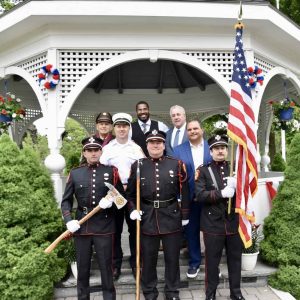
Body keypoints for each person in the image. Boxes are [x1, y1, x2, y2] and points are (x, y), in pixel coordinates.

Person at [127, 130, 190, 300]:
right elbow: (131, 194)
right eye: (152, 142)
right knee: (148, 259)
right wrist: (133, 209)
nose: (155, 145)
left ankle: (172, 292)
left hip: (171, 215)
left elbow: (185, 191)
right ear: (146, 145)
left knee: (172, 258)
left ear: (163, 145)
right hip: (147, 217)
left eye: (159, 142)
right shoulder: (138, 165)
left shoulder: (176, 164)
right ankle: (149, 291)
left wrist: (184, 215)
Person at [61, 136, 124, 300]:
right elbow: (66, 201)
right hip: (81, 226)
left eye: (96, 150)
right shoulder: (75, 173)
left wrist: (111, 201)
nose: (93, 153)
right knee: (82, 269)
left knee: (106, 267)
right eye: (89, 150)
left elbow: (121, 200)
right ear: (84, 152)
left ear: (100, 151)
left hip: (104, 225)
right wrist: (69, 221)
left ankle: (109, 297)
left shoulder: (111, 171)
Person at [194, 135, 244, 300]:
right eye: (216, 148)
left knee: (235, 261)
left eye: (223, 147)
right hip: (212, 223)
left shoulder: (236, 169)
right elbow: (199, 195)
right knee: (212, 263)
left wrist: (239, 187)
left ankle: (236, 294)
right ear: (211, 151)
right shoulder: (203, 170)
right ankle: (210, 295)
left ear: (227, 150)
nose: (220, 150)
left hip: (233, 222)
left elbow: (247, 195)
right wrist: (221, 193)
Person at [100, 112, 145, 280]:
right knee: (115, 230)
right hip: (114, 193)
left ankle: (136, 264)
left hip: (132, 193)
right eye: (118, 126)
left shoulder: (136, 148)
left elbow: (144, 170)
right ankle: (115, 265)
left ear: (129, 128)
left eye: (125, 126)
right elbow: (102, 171)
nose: (121, 129)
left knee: (135, 230)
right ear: (114, 127)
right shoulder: (107, 148)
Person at [173, 120, 212, 278]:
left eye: (196, 128)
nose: (193, 131)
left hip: (211, 197)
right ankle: (194, 263)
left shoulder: (212, 147)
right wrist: (178, 198)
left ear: (202, 130)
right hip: (189, 198)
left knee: (211, 232)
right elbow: (175, 176)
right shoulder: (177, 151)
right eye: (189, 129)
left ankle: (211, 263)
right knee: (191, 231)